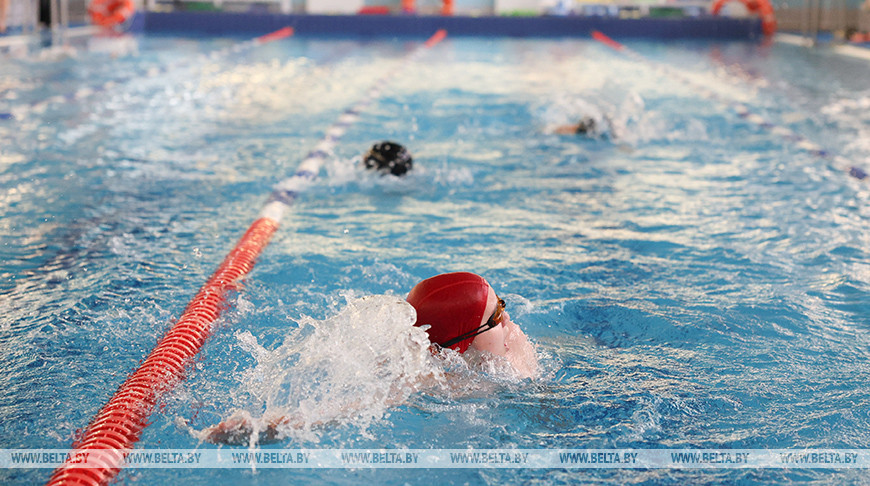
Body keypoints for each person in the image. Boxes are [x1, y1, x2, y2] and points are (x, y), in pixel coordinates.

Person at [201, 272, 538, 445]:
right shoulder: (442, 379)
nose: (507, 319)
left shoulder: (508, 344)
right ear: (459, 346)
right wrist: (268, 427)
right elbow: (354, 406)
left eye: (501, 304)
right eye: (495, 317)